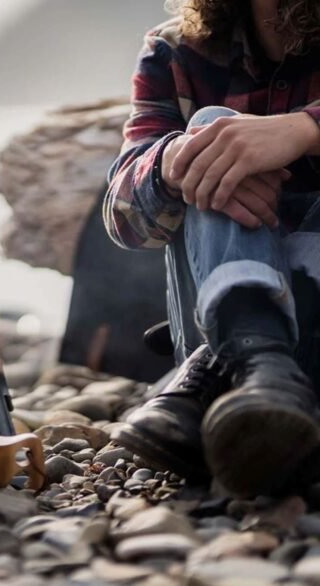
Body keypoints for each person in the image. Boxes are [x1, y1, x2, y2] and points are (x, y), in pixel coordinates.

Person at [104, 0, 320, 496]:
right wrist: (175, 162)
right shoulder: (175, 51)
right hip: (215, 321)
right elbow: (123, 223)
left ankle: (220, 381)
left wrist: (304, 130)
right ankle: (260, 366)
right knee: (209, 131)